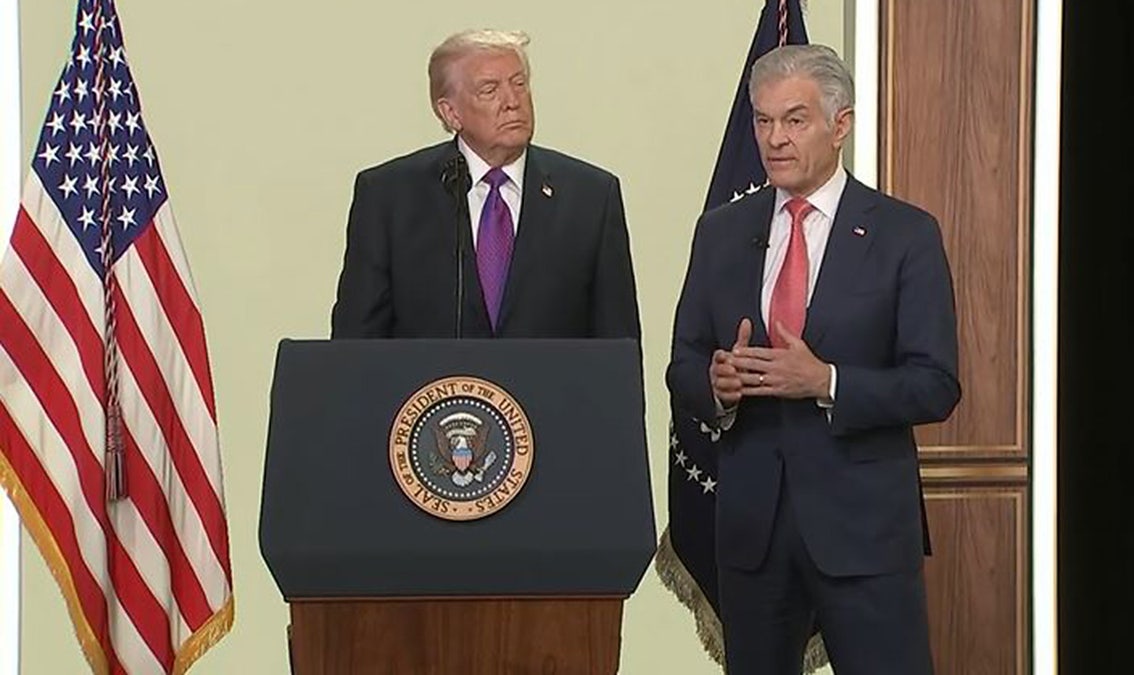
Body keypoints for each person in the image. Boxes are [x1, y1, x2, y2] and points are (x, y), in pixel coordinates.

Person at [666, 44, 960, 675]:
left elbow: (935, 384)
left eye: (794, 120)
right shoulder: (720, 230)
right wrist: (717, 385)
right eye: (763, 121)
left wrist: (826, 381)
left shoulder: (906, 235)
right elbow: (682, 362)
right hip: (753, 529)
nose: (775, 139)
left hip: (864, 531)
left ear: (841, 125)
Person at [331, 29, 640, 340]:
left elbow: (617, 349)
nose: (512, 102)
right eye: (490, 90)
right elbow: (356, 345)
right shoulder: (389, 197)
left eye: (519, 84)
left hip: (551, 388)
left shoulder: (590, 197)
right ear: (450, 113)